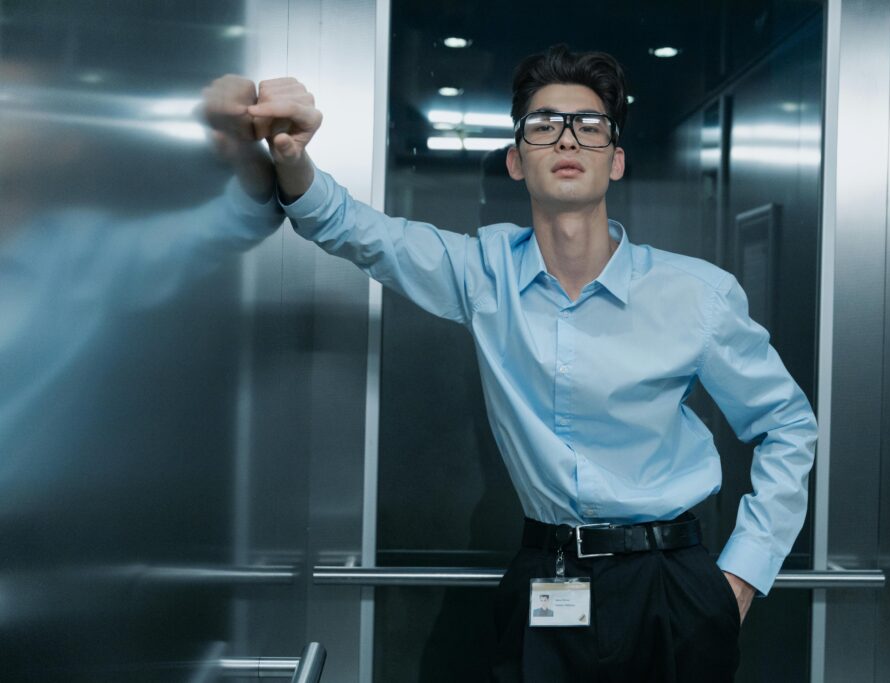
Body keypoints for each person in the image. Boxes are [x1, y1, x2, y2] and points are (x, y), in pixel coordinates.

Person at [246, 45, 817, 682]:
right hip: (548, 576)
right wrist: (290, 157)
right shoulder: (482, 273)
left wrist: (741, 575)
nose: (567, 137)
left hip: (671, 584)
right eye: (544, 124)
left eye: (590, 125)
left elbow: (787, 426)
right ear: (517, 160)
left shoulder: (697, 295)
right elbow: (357, 230)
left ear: (616, 160)